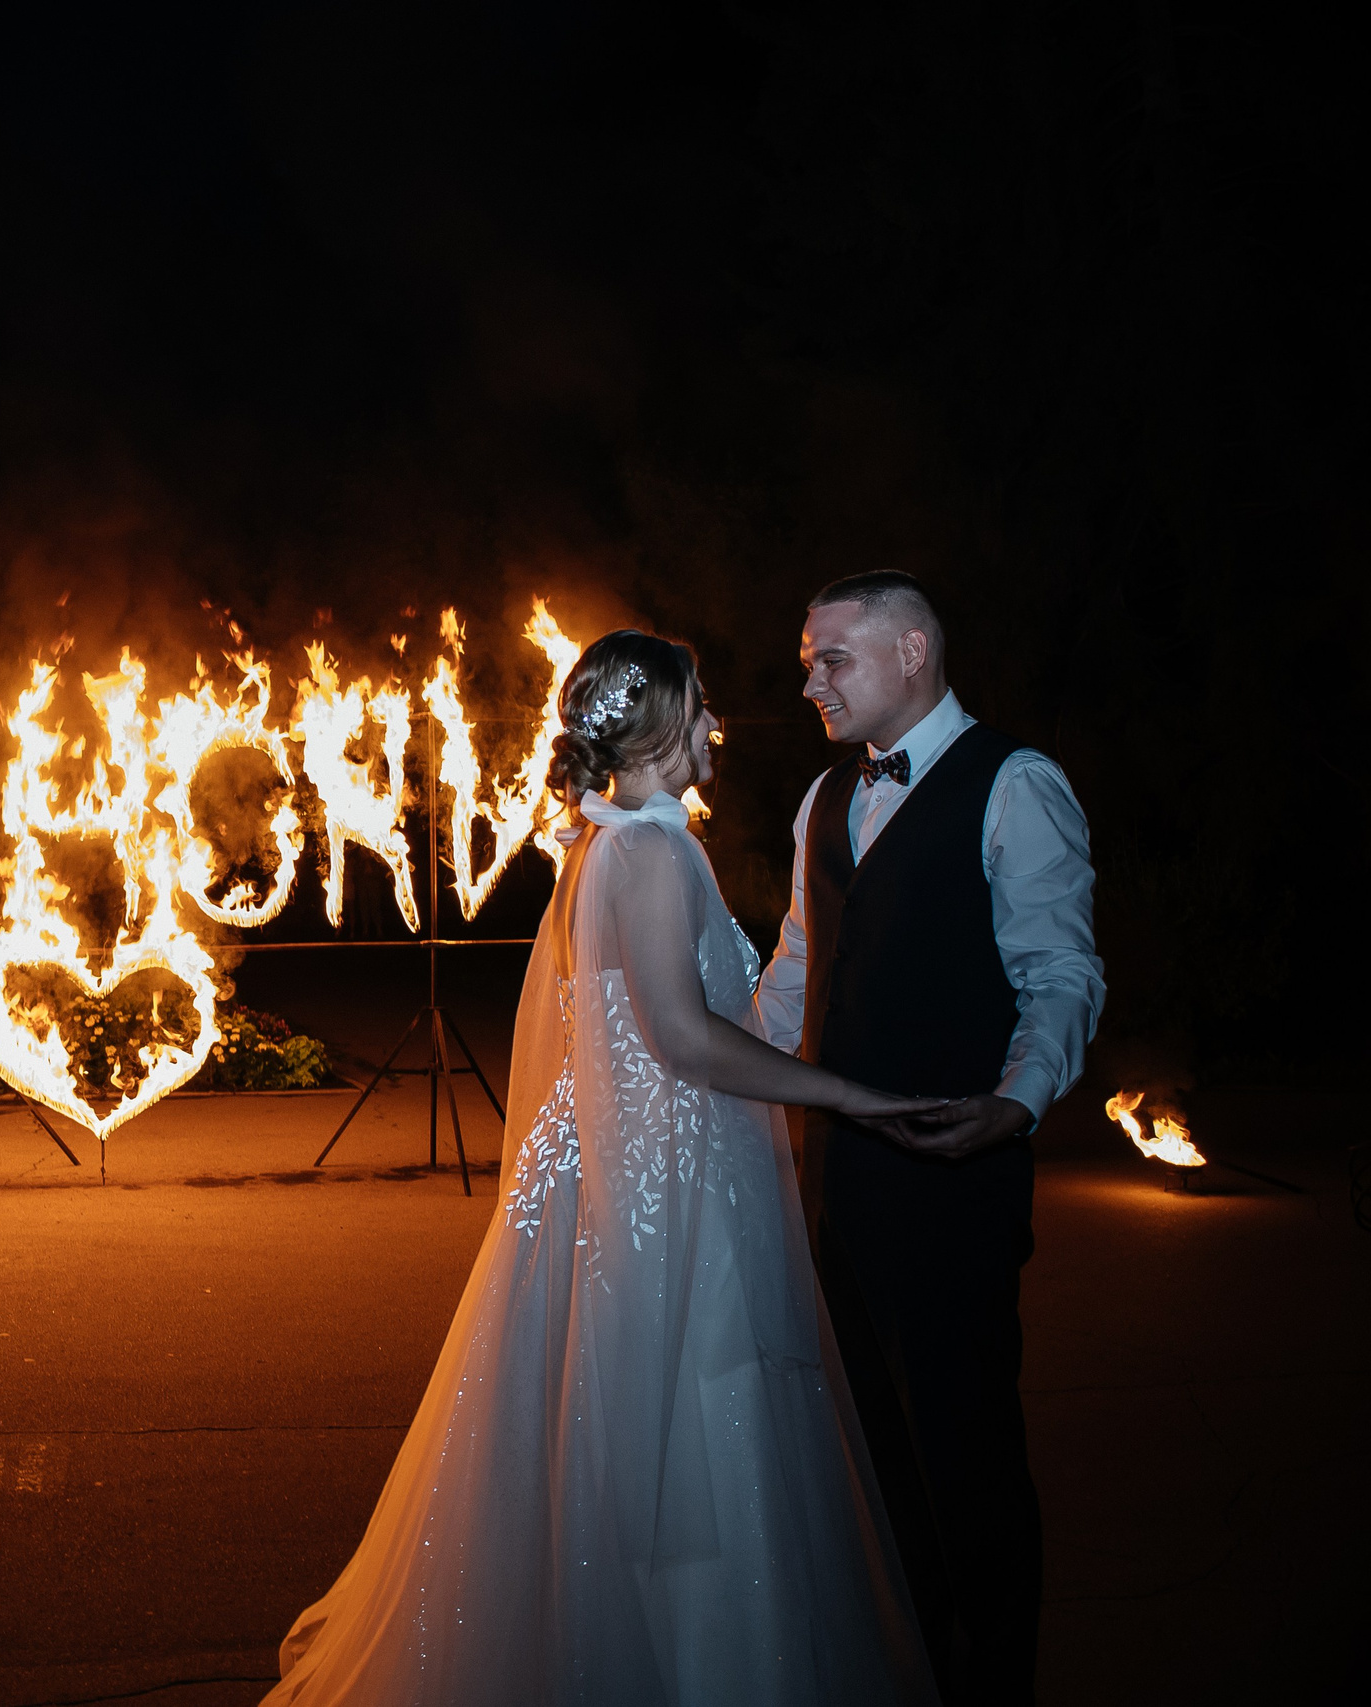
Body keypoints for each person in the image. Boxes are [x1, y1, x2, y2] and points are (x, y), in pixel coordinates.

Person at [266, 629, 939, 1707]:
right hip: (666, 1192)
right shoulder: (650, 851)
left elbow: (704, 1009)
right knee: (693, 1439)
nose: (717, 723)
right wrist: (855, 1099)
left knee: (626, 1440)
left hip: (620, 1170)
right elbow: (683, 1038)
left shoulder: (615, 841)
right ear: (660, 726)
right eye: (701, 705)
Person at [754, 572, 1102, 1705]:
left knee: (968, 1464)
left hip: (953, 1186)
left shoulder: (1015, 785)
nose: (809, 680)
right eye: (809, 659)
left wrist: (1018, 1099)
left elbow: (1058, 973)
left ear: (911, 652)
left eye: (831, 659)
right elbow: (794, 980)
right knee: (876, 1469)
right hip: (832, 1192)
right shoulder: (821, 800)